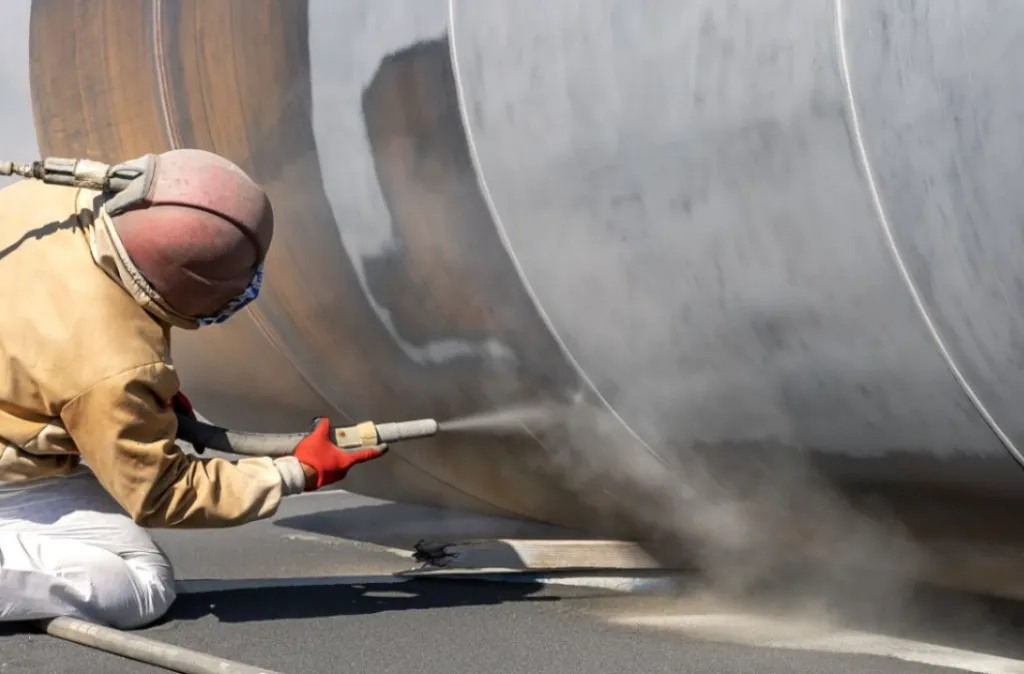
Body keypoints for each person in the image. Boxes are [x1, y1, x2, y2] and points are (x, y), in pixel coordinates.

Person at [0, 149, 386, 629]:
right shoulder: (114, 363)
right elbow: (159, 492)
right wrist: (294, 473)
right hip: (10, 481)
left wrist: (137, 409)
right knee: (143, 585)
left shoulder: (47, 198)